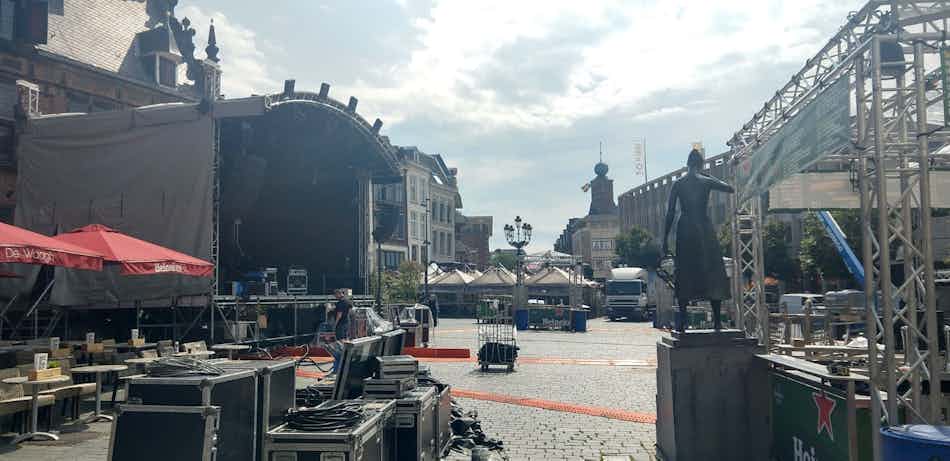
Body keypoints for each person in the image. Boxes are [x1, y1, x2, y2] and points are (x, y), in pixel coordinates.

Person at [662, 149, 735, 332]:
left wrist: (664, 238)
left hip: (685, 227)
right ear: (701, 164)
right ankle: (717, 321)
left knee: (685, 271)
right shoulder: (706, 180)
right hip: (703, 227)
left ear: (687, 164)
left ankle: (683, 322)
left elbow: (670, 212)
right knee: (713, 270)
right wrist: (708, 177)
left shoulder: (678, 183)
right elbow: (729, 188)